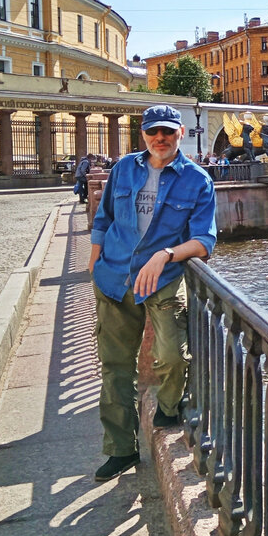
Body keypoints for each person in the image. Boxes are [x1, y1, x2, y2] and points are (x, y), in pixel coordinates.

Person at [87, 104, 217, 482]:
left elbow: (204, 240)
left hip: (162, 280)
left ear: (180, 133)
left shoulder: (196, 179)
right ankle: (121, 450)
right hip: (113, 277)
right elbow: (104, 217)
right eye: (152, 132)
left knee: (172, 357)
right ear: (142, 134)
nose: (159, 138)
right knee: (114, 368)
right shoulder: (125, 168)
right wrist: (95, 264)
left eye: (167, 131)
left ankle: (169, 405)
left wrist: (166, 254)